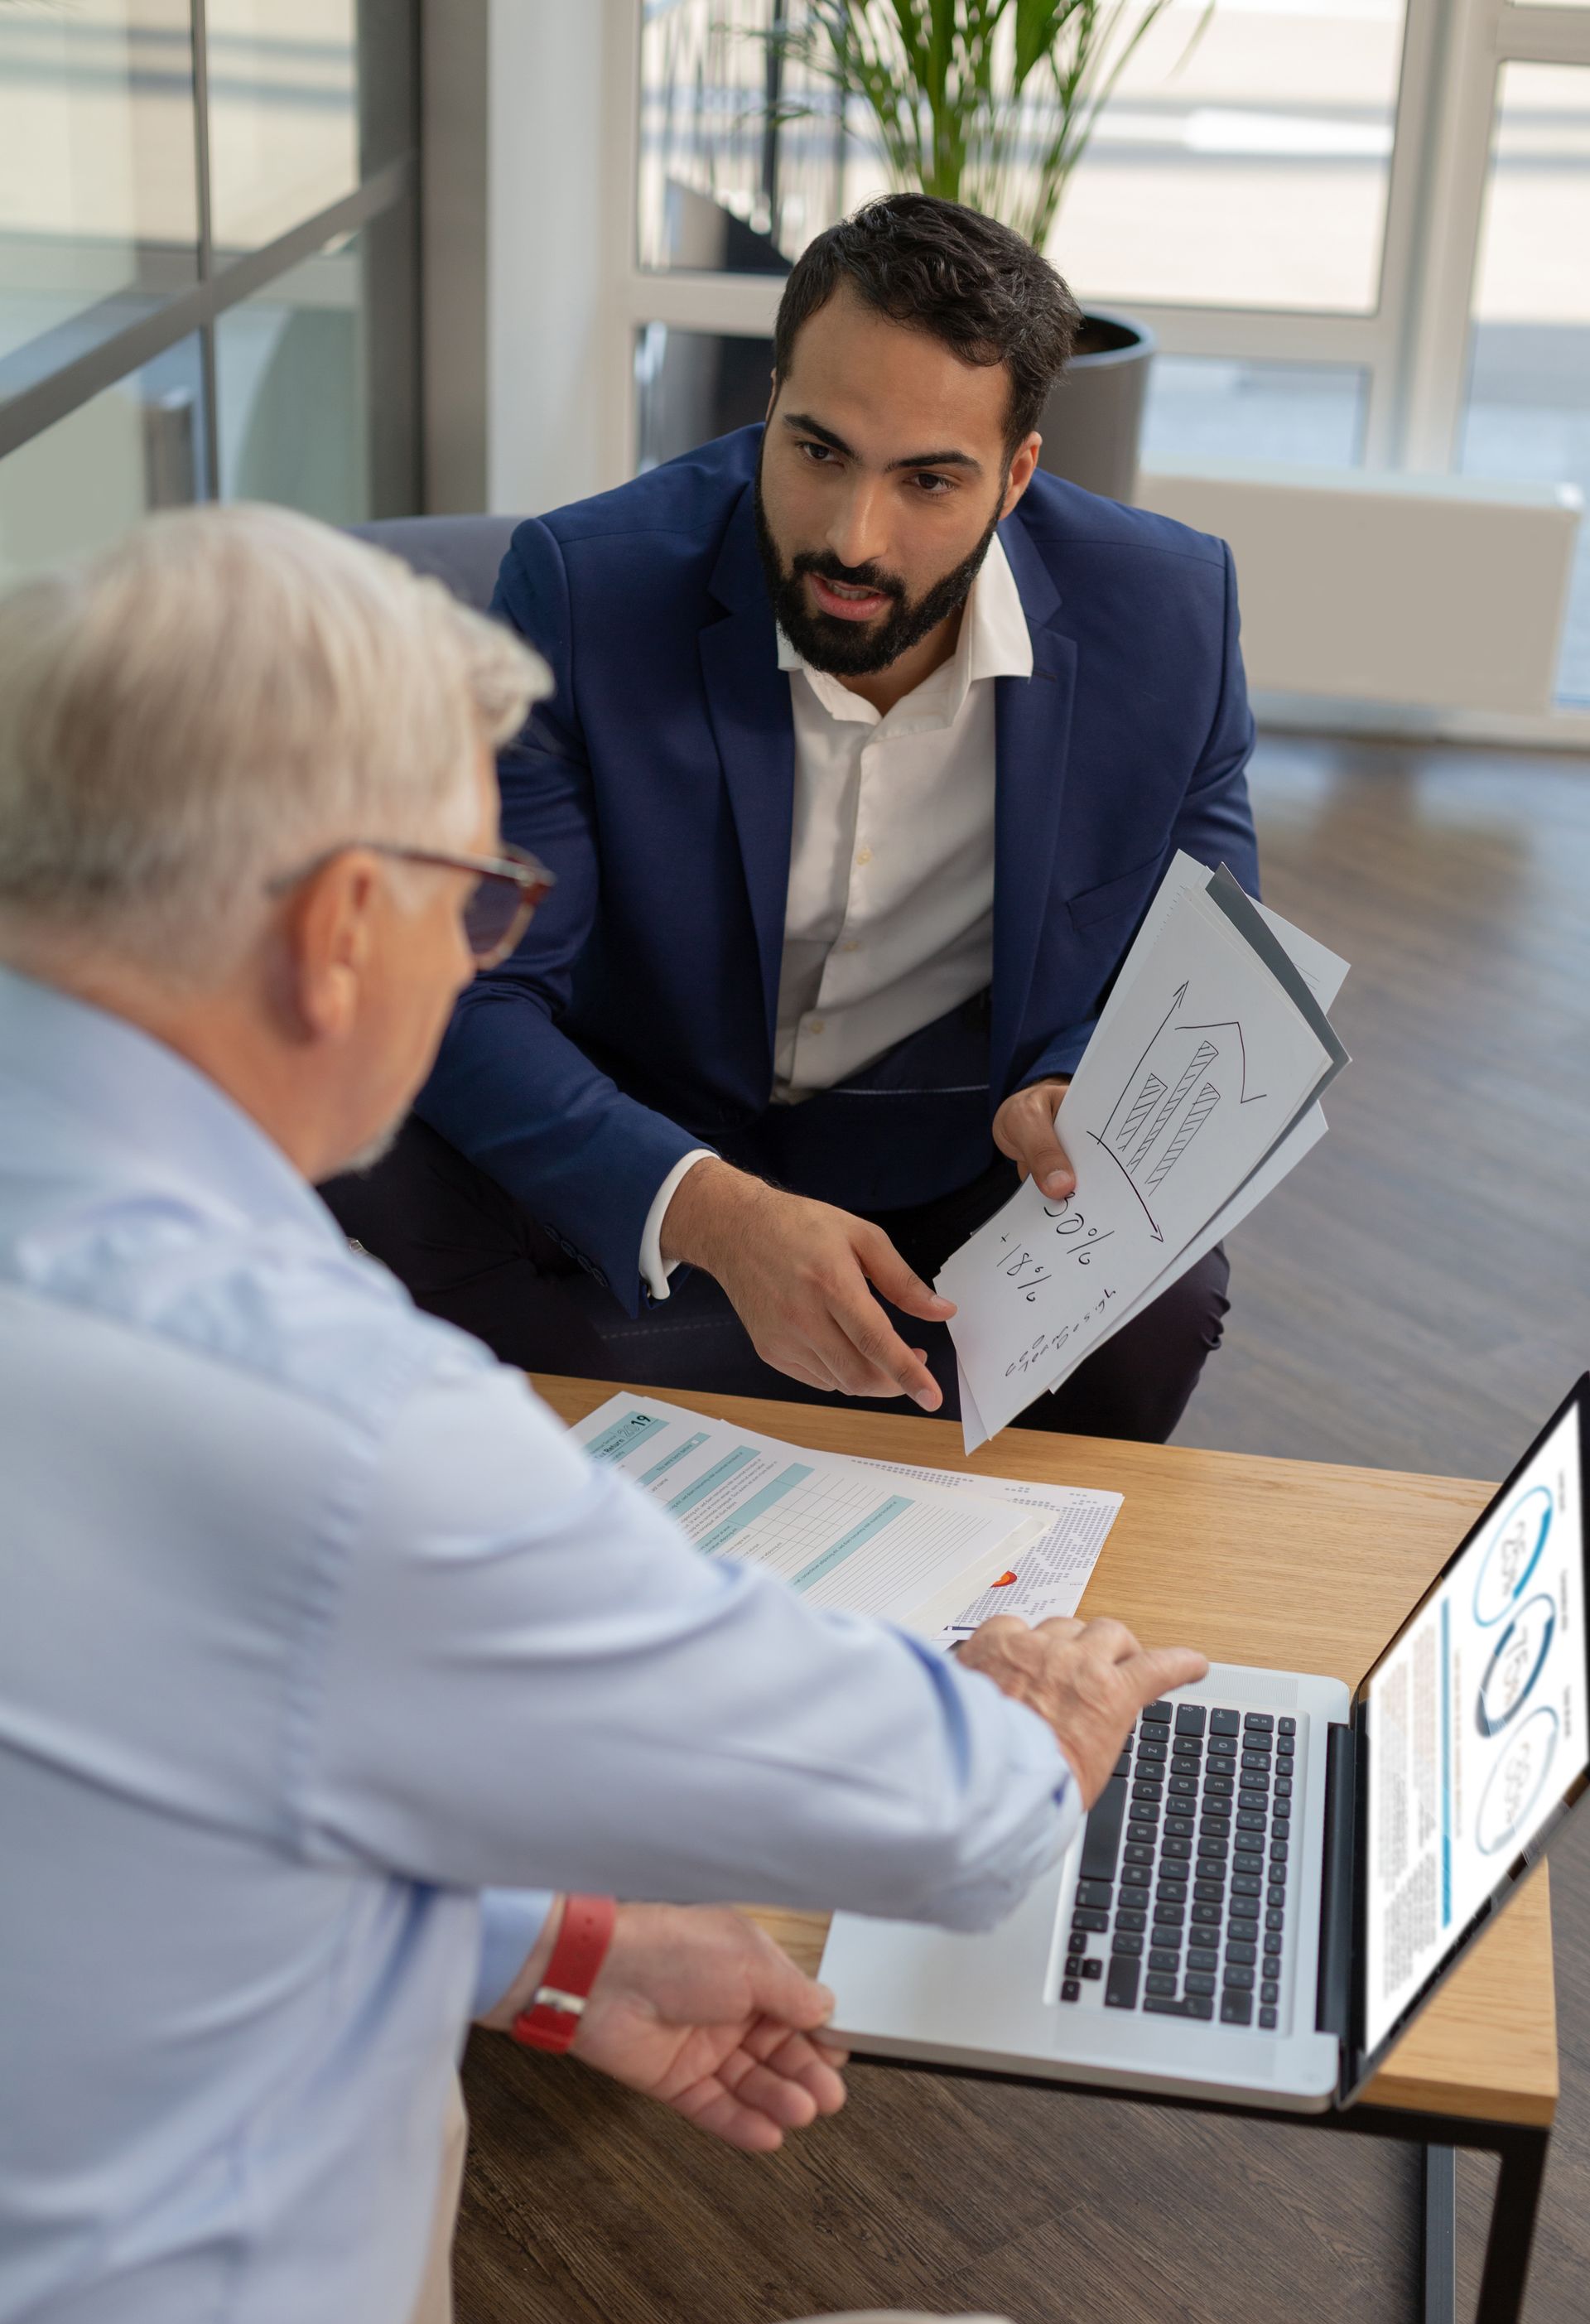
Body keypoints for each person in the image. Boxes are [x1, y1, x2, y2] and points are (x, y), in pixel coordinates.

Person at [0, 506, 1204, 2324]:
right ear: (339, 929)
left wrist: (548, 1948)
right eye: (478, 912)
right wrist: (1039, 1719)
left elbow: (115, 1780)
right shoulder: (334, 1429)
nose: (476, 966)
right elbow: (953, 1818)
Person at [325, 193, 1257, 1444]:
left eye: (929, 480)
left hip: (957, 1154)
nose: (852, 538)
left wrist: (1078, 1070)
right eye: (818, 451)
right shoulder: (583, 589)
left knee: (1163, 1293)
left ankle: (998, 1607)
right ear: (769, 401)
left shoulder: (1172, 612)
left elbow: (1203, 954)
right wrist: (712, 1211)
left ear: (1018, 473)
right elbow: (470, 982)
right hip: (650, 1123)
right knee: (402, 1195)